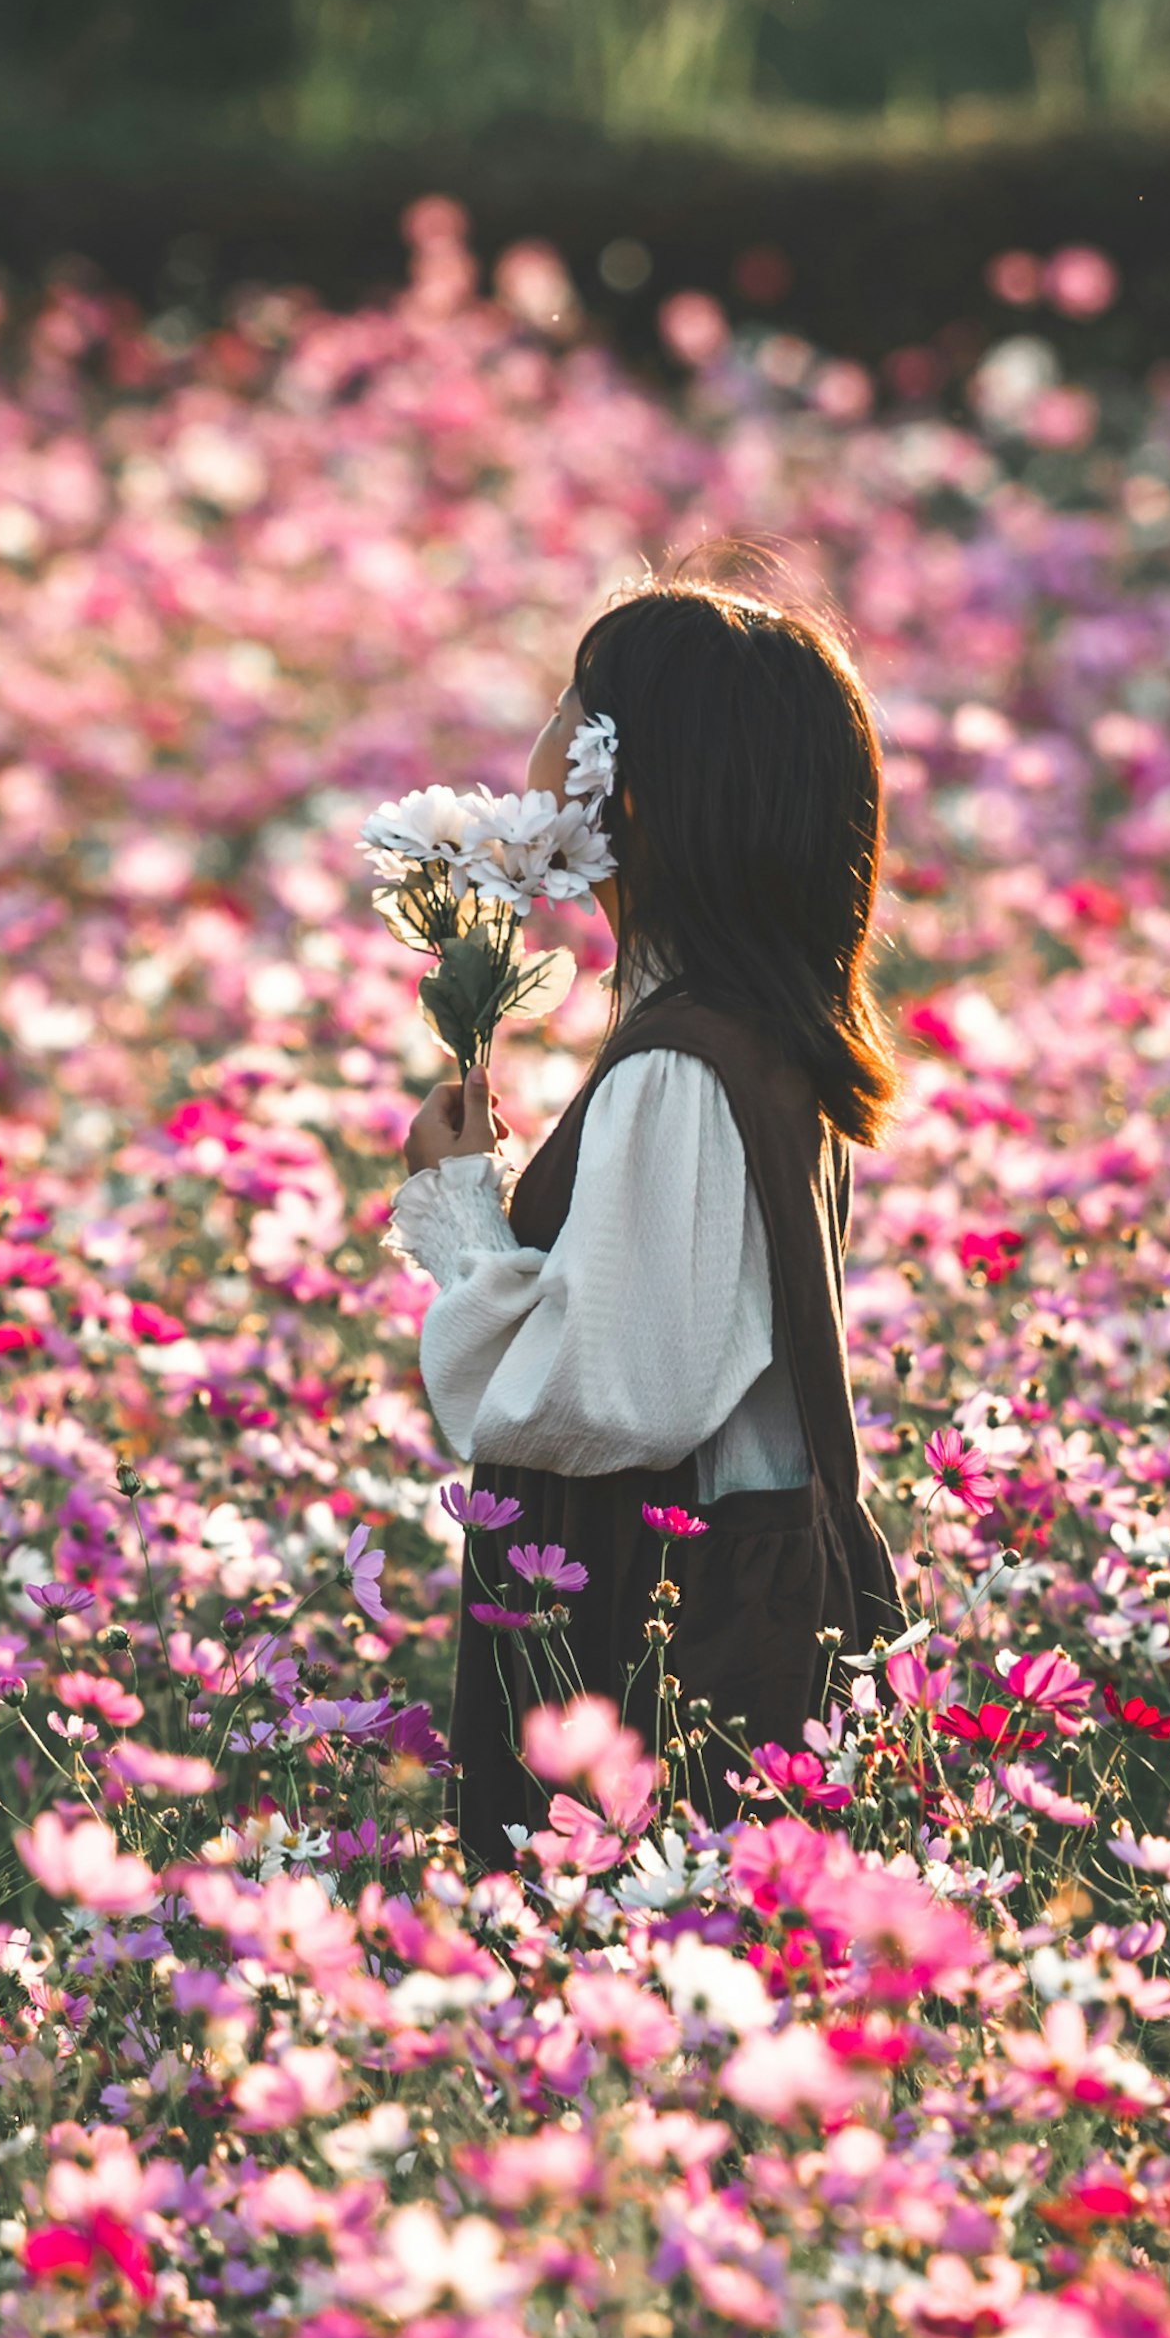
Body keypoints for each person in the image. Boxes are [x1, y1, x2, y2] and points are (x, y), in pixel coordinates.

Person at [390, 563, 904, 1862]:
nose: (540, 739)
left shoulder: (681, 1066)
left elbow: (614, 1394)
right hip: (730, 1610)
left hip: (659, 1630)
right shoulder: (757, 1036)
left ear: (642, 789)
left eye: (575, 703)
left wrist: (460, 1223)